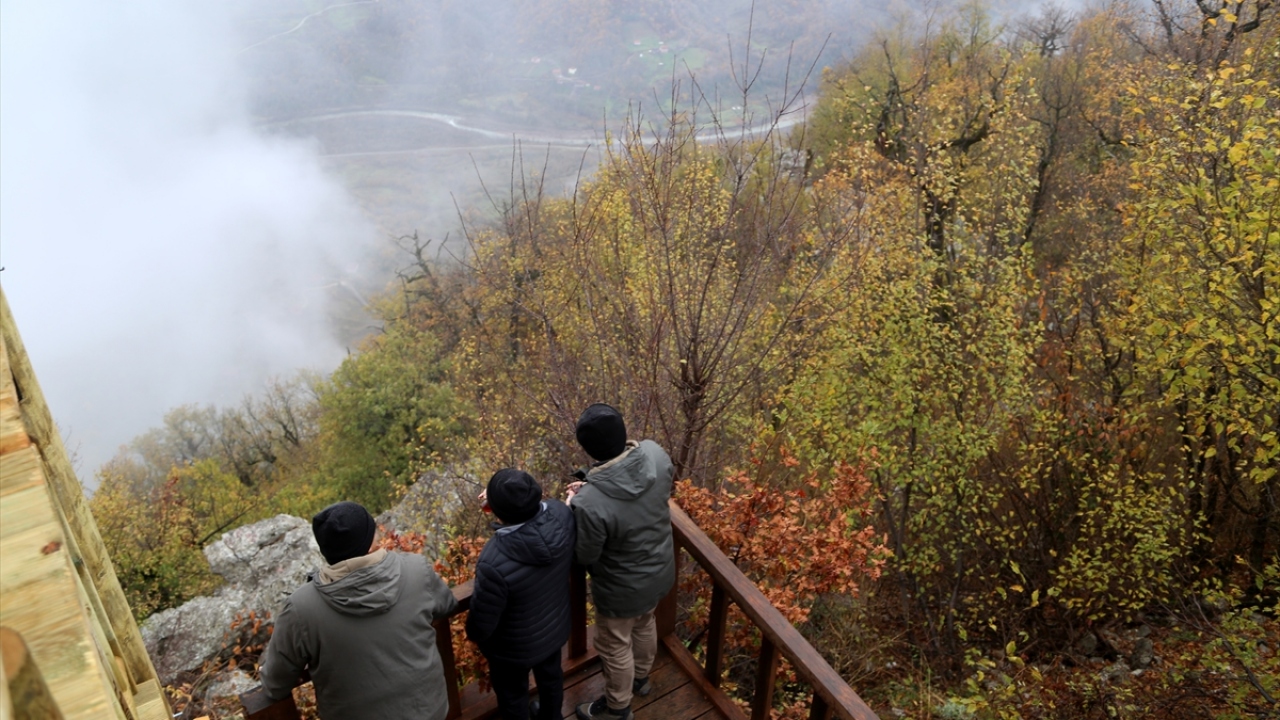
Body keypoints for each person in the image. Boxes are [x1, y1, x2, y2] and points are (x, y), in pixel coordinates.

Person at [259, 501, 458, 720]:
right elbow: (447, 604)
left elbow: (275, 684)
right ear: (371, 538)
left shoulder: (301, 608)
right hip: (431, 712)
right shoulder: (416, 568)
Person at [566, 403, 675, 720]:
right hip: (660, 571)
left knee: (614, 646)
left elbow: (585, 555)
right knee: (645, 624)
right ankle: (642, 679)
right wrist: (591, 488)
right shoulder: (655, 454)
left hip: (621, 590)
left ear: (587, 448)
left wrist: (577, 503)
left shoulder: (589, 503)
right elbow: (644, 493)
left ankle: (618, 708)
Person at [467, 469, 577, 720]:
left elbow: (481, 625)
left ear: (498, 512)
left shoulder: (493, 559)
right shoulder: (562, 515)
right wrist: (503, 503)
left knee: (514, 696)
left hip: (512, 648)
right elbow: (542, 512)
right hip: (554, 626)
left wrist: (475, 636)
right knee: (551, 679)